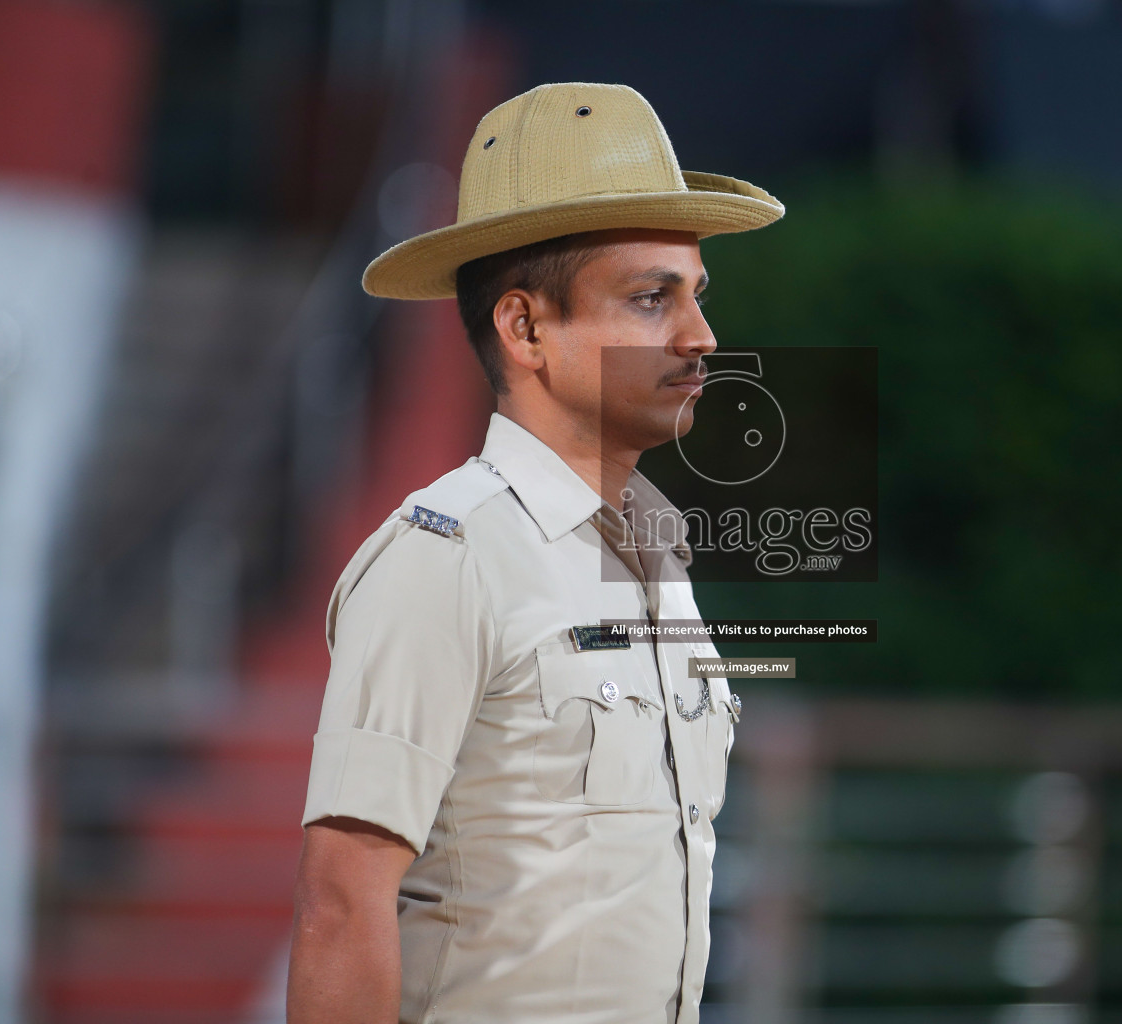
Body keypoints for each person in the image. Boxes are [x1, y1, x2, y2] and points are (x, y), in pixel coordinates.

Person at [285, 81, 783, 1024]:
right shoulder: (447, 558)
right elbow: (342, 903)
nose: (700, 336)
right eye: (650, 299)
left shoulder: (659, 556)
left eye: (695, 297)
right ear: (524, 329)